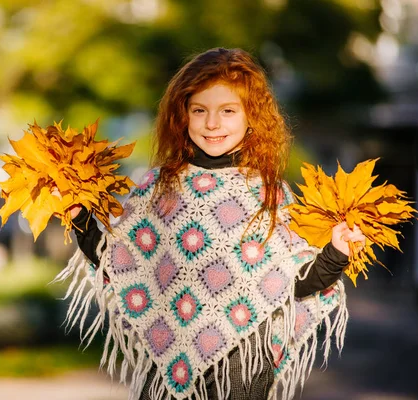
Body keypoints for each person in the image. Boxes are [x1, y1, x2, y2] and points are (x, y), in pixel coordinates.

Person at [53, 48, 365, 400]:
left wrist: (337, 251)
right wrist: (79, 216)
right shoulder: (158, 188)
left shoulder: (267, 193)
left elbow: (293, 285)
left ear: (252, 117)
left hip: (242, 367)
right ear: (182, 115)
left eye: (228, 111)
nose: (212, 123)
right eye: (199, 110)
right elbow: (117, 261)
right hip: (167, 366)